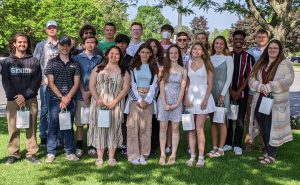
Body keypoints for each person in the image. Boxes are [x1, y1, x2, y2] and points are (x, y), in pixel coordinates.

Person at [248, 39, 294, 165]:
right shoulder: (261, 63)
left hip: (276, 102)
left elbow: (288, 80)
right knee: (263, 125)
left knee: (272, 127)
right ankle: (267, 151)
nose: (272, 50)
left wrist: (270, 86)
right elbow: (251, 78)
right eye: (270, 48)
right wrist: (259, 86)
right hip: (261, 99)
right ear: (267, 50)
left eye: (275, 48)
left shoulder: (285, 64)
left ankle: (272, 155)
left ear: (279, 51)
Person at [1, 33, 42, 164]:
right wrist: (17, 97)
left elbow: (36, 81)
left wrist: (25, 95)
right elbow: (6, 82)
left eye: (24, 42)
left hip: (30, 99)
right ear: (14, 44)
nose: (22, 44)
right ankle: (14, 153)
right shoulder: (7, 62)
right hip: (13, 100)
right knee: (13, 128)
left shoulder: (34, 61)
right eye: (19, 42)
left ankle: (32, 153)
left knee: (31, 127)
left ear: (27, 44)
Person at [88, 46, 130, 167]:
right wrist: (97, 99)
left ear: (120, 56)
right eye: (112, 53)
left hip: (115, 104)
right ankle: (100, 157)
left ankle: (111, 157)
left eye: (117, 54)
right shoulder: (98, 68)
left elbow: (126, 88)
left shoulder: (124, 71)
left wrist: (115, 101)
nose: (114, 56)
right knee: (99, 129)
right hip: (99, 104)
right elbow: (92, 85)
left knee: (113, 129)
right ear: (107, 54)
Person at [44, 35, 81, 163]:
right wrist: (61, 98)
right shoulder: (52, 62)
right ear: (59, 46)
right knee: (53, 125)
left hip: (70, 99)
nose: (65, 48)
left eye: (67, 45)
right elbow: (50, 82)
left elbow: (76, 83)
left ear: (71, 47)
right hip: (55, 99)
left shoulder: (75, 63)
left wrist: (68, 97)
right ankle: (51, 152)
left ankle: (70, 152)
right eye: (62, 45)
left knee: (68, 125)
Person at [125, 43, 159, 165]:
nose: (145, 54)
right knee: (133, 127)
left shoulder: (154, 68)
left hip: (148, 99)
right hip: (135, 99)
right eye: (142, 52)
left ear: (151, 54)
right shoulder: (132, 67)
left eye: (147, 52)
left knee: (146, 128)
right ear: (139, 53)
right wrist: (139, 100)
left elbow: (155, 85)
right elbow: (131, 85)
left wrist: (147, 99)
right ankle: (133, 155)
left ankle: (144, 154)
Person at [223, 30, 255, 155]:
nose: (238, 41)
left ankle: (237, 144)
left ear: (243, 41)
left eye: (240, 39)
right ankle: (227, 143)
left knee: (240, 119)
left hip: (242, 93)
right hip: (228, 92)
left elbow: (249, 76)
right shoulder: (227, 56)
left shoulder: (248, 57)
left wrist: (239, 91)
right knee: (228, 119)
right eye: (236, 39)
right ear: (233, 40)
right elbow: (224, 75)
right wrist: (231, 90)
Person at [184, 43, 215, 167]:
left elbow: (211, 83)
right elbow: (186, 82)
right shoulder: (188, 64)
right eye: (194, 48)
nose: (196, 51)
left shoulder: (207, 64)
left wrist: (206, 99)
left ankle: (201, 157)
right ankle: (192, 156)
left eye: (198, 49)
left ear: (203, 52)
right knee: (190, 128)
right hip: (191, 96)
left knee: (199, 128)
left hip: (203, 96)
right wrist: (185, 97)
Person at [73, 35, 102, 158]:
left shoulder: (99, 58)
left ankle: (91, 145)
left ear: (95, 44)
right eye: (87, 42)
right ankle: (79, 146)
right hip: (80, 94)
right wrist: (83, 92)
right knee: (80, 122)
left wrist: (91, 92)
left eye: (92, 42)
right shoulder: (77, 58)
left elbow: (100, 76)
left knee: (92, 122)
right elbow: (76, 76)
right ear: (84, 44)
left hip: (94, 94)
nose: (90, 44)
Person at [157, 44, 187, 165]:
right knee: (163, 127)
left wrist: (177, 103)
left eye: (176, 53)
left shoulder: (183, 70)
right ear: (168, 55)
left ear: (179, 55)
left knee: (175, 128)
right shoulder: (163, 69)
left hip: (177, 101)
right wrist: (164, 103)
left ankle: (173, 154)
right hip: (164, 99)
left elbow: (183, 87)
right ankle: (163, 154)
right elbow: (161, 86)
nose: (174, 55)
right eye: (171, 53)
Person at [33, 20, 60, 147]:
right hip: (45, 83)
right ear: (46, 30)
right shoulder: (40, 45)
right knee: (45, 109)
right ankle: (43, 136)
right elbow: (35, 64)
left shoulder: (62, 45)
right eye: (50, 27)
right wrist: (40, 79)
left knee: (59, 109)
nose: (52, 29)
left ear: (57, 29)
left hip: (61, 84)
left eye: (54, 27)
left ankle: (58, 136)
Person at [207, 36, 234, 158]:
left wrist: (222, 95)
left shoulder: (228, 59)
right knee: (213, 121)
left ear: (224, 46)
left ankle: (221, 148)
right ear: (213, 45)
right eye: (216, 43)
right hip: (210, 93)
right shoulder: (209, 58)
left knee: (221, 121)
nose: (218, 45)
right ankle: (214, 147)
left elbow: (229, 78)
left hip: (222, 94)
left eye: (221, 44)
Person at [245, 29, 269, 152]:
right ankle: (249, 143)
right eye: (259, 36)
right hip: (252, 91)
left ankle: (263, 144)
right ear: (255, 38)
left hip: (266, 92)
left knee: (264, 117)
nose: (261, 39)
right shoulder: (250, 52)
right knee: (250, 118)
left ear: (267, 38)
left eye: (263, 36)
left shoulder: (271, 51)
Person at [145, 38, 165, 155]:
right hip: (145, 95)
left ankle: (154, 146)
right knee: (146, 122)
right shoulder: (143, 61)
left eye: (155, 47)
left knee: (155, 122)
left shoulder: (162, 62)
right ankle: (145, 145)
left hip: (158, 95)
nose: (153, 49)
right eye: (151, 46)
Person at [114, 33, 132, 155]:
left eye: (124, 43)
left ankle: (124, 143)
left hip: (127, 93)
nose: (121, 45)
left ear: (127, 45)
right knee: (114, 118)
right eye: (119, 42)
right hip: (112, 92)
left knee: (125, 120)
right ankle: (113, 143)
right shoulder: (112, 57)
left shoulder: (131, 59)